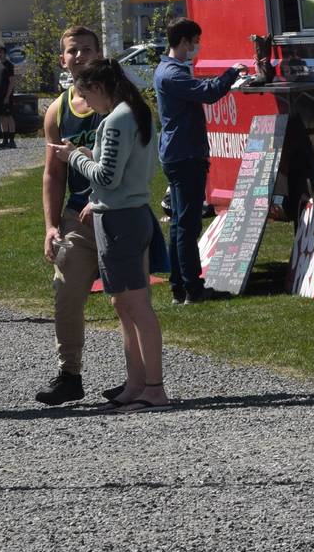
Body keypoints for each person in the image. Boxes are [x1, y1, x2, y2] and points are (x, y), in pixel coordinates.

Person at [56, 58, 170, 410]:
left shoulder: (119, 117)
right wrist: (92, 155)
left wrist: (73, 157)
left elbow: (107, 178)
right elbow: (118, 168)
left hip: (121, 219)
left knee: (136, 305)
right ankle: (136, 384)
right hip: (121, 214)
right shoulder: (132, 112)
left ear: (100, 87)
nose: (86, 104)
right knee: (122, 303)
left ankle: (154, 388)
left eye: (86, 95)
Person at [35, 26, 106, 405]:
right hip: (76, 219)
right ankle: (69, 375)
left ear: (99, 53)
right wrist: (50, 226)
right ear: (62, 59)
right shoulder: (57, 110)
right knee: (65, 293)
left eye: (85, 50)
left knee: (127, 301)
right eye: (71, 51)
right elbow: (53, 173)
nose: (78, 56)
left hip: (119, 216)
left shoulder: (119, 101)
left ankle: (141, 380)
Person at [152, 20, 243, 304]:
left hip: (180, 152)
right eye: (194, 41)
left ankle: (180, 286)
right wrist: (232, 73)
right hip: (185, 155)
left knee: (180, 224)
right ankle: (192, 287)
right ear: (183, 41)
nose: (196, 47)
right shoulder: (171, 74)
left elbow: (201, 87)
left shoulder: (171, 71)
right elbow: (208, 92)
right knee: (188, 225)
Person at [0, 46, 17, 148]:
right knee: (2, 118)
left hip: (7, 96)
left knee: (9, 116)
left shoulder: (9, 65)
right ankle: (5, 140)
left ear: (5, 53)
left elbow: (11, 82)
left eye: (0, 52)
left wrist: (7, 96)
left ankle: (12, 141)